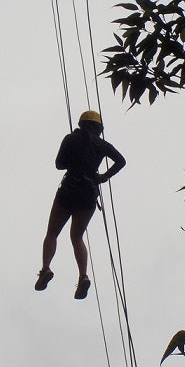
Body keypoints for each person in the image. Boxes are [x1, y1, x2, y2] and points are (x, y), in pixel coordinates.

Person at [35, 110, 126, 299]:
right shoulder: (103, 145)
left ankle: (45, 269)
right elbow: (121, 161)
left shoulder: (71, 139)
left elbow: (59, 164)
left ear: (81, 124)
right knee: (77, 237)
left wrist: (73, 159)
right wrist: (103, 177)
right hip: (89, 192)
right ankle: (83, 276)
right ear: (99, 129)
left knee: (52, 232)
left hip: (70, 188)